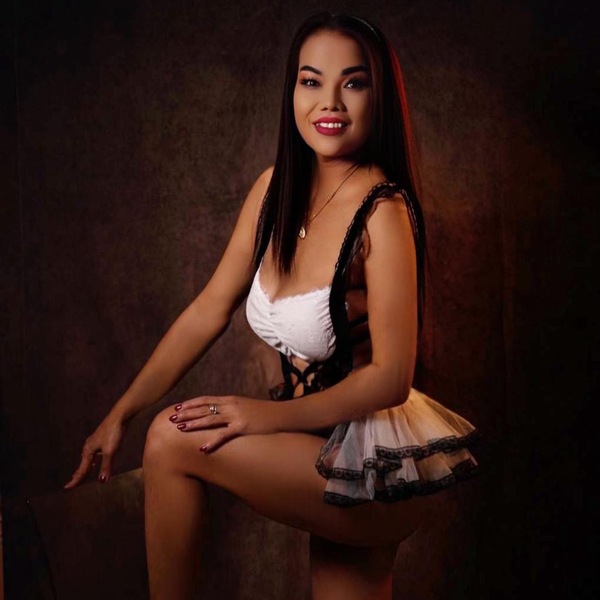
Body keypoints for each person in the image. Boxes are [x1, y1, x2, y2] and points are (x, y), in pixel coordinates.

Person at [65, 11, 478, 600]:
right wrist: (120, 412)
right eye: (311, 81)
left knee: (171, 439)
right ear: (292, 91)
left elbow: (390, 378)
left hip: (373, 466)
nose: (329, 102)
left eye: (353, 82)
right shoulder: (272, 189)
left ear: (379, 96)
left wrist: (263, 416)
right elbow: (210, 308)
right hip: (317, 447)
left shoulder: (382, 211)